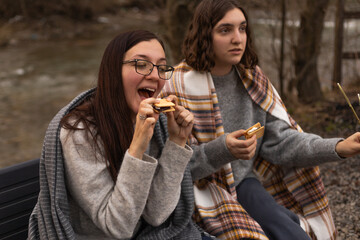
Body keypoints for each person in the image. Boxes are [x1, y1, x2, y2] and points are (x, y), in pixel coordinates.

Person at [161, 0, 360, 240]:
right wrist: (223, 149)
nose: (238, 38)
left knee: (293, 233)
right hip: (196, 192)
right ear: (204, 35)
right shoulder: (175, 86)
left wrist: (339, 147)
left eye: (242, 28)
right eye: (225, 30)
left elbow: (281, 142)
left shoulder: (252, 79)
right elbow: (171, 168)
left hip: (245, 183)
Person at [28, 30, 207, 239]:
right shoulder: (78, 132)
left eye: (161, 67)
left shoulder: (157, 125)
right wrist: (138, 147)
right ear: (113, 71)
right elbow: (119, 228)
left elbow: (156, 215)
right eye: (141, 64)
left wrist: (177, 142)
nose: (154, 75)